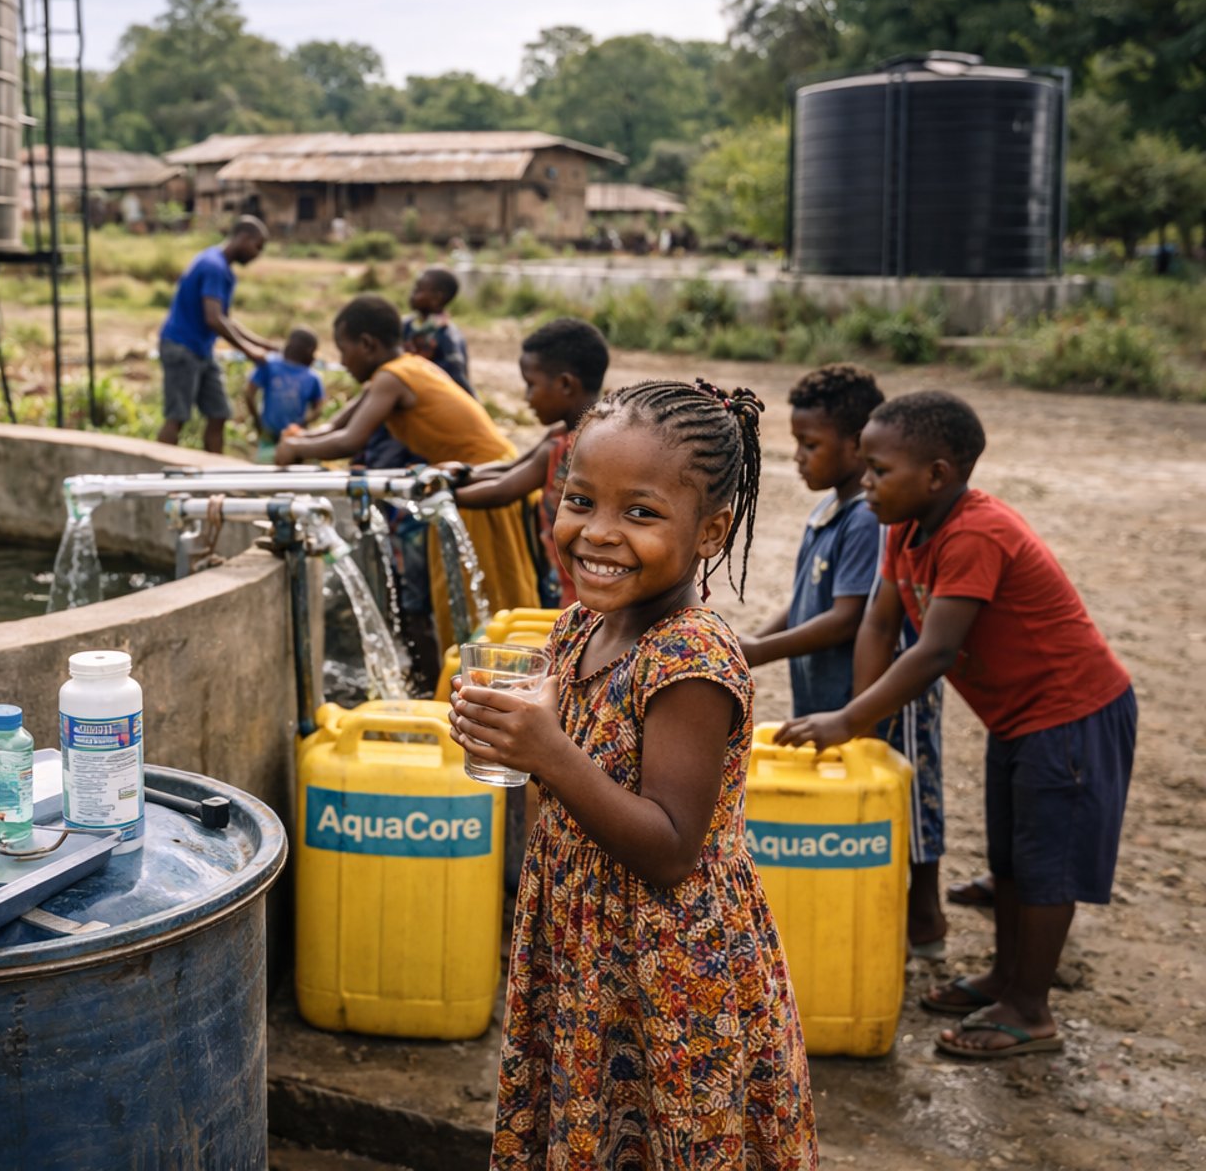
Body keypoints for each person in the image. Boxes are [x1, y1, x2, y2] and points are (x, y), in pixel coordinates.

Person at [451, 379, 815, 1167]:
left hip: (670, 962)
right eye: (580, 501)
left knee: (666, 1135)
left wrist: (548, 751)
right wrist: (510, 736)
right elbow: (571, 773)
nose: (598, 533)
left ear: (711, 530)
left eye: (641, 513)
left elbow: (672, 845)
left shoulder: (692, 658)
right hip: (587, 940)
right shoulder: (584, 623)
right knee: (592, 1123)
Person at [777, 390, 1136, 1062]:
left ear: (938, 475)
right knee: (1007, 859)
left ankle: (1031, 1010)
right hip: (1019, 719)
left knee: (1044, 866)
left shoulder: (977, 531)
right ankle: (1006, 977)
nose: (868, 481)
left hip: (1073, 714)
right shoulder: (902, 527)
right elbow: (880, 622)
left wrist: (848, 718)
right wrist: (861, 730)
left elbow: (935, 650)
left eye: (880, 469)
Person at [739, 365, 950, 954]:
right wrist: (755, 638)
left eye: (811, 445)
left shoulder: (865, 518)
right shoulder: (829, 509)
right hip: (829, 689)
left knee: (903, 792)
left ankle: (924, 920)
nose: (799, 458)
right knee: (847, 798)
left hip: (879, 690)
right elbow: (807, 601)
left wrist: (758, 651)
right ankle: (858, 902)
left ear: (858, 445)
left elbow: (846, 618)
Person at [276, 295, 538, 661]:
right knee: (461, 591)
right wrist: (301, 438)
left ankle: (495, 677)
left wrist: (295, 450)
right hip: (474, 475)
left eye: (343, 349)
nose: (341, 360)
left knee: (482, 594)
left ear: (367, 345)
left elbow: (350, 440)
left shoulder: (394, 377)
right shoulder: (404, 367)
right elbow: (336, 425)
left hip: (480, 480)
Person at [450, 317, 608, 605]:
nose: (526, 398)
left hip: (580, 591)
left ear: (565, 384)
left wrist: (443, 496)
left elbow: (502, 489)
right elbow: (508, 468)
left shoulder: (566, 448)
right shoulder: (568, 433)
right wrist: (462, 473)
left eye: (531, 385)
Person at [157, 216, 277, 453]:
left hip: (201, 350)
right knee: (177, 417)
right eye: (257, 246)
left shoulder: (217, 263)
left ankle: (212, 477)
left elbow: (225, 320)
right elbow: (213, 319)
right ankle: (157, 478)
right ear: (243, 238)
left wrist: (262, 344)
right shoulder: (214, 266)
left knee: (219, 413)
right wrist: (249, 351)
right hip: (182, 347)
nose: (258, 254)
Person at [243, 327, 325, 463]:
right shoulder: (269, 365)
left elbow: (318, 406)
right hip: (269, 434)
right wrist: (258, 422)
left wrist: (303, 424)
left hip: (295, 436)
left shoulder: (312, 377)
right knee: (267, 465)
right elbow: (249, 392)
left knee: (295, 470)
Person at [403, 267, 472, 396]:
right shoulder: (407, 326)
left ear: (437, 298)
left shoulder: (447, 336)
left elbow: (458, 379)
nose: (411, 294)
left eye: (417, 290)